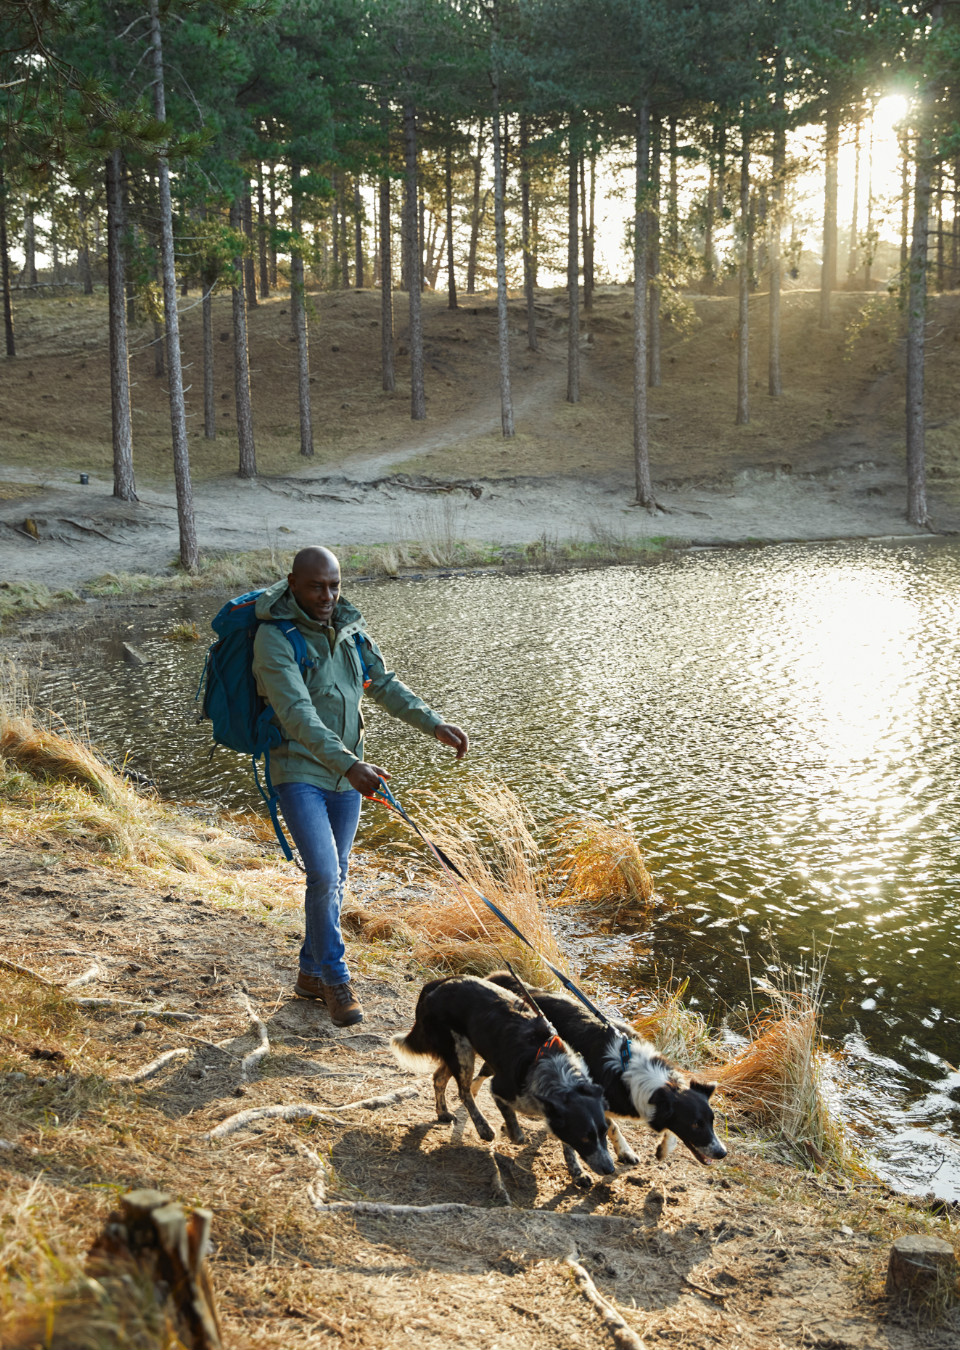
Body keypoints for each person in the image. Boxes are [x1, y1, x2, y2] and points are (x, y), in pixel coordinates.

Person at [251, 546, 468, 1027]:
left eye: (334, 585)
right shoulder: (274, 639)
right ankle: (334, 978)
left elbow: (384, 684)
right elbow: (298, 716)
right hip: (299, 771)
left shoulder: (349, 631)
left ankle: (309, 971)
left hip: (347, 774)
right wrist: (350, 764)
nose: (327, 595)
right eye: (315, 586)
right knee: (325, 874)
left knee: (338, 874)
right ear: (293, 583)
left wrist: (434, 725)